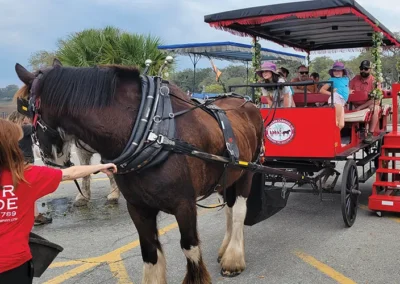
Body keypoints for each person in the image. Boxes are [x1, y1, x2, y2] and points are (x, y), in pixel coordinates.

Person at [0, 118, 117, 283]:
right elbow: (70, 172)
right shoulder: (26, 177)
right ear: (11, 148)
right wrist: (99, 166)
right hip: (14, 263)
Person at [7, 111, 51, 225]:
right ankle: (35, 216)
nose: (28, 120)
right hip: (25, 161)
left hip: (15, 161)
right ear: (21, 119)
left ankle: (27, 214)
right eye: (26, 118)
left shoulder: (10, 130)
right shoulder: (24, 128)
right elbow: (38, 127)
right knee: (30, 189)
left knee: (20, 190)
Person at [349, 60, 381, 143]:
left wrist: (360, 107)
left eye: (366, 69)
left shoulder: (375, 81)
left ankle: (370, 133)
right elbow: (348, 91)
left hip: (367, 105)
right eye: (361, 68)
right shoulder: (355, 79)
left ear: (370, 69)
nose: (363, 70)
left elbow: (376, 100)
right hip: (354, 104)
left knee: (375, 107)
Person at [319, 62, 350, 130]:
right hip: (336, 99)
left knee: (341, 124)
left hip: (342, 101)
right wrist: (332, 93)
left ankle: (333, 138)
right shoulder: (332, 80)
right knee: (336, 122)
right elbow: (322, 90)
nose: (336, 72)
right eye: (335, 70)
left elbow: (345, 87)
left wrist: (349, 91)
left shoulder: (346, 79)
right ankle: (332, 139)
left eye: (339, 70)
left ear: (342, 71)